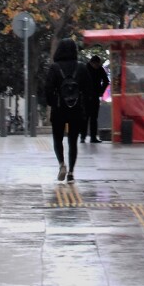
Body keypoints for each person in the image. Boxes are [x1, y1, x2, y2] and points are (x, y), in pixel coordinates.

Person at [44, 37, 92, 183]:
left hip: (59, 108)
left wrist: (52, 102)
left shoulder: (54, 67)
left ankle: (61, 164)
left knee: (57, 138)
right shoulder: (81, 67)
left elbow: (48, 88)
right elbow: (89, 89)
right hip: (76, 109)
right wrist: (83, 104)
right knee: (73, 141)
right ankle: (71, 172)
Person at [82, 54, 109, 143]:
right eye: (96, 65)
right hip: (86, 97)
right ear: (92, 63)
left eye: (98, 65)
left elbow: (106, 81)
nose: (97, 67)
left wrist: (101, 91)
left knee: (94, 117)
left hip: (95, 96)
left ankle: (93, 137)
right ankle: (83, 136)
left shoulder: (100, 69)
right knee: (85, 117)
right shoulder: (85, 69)